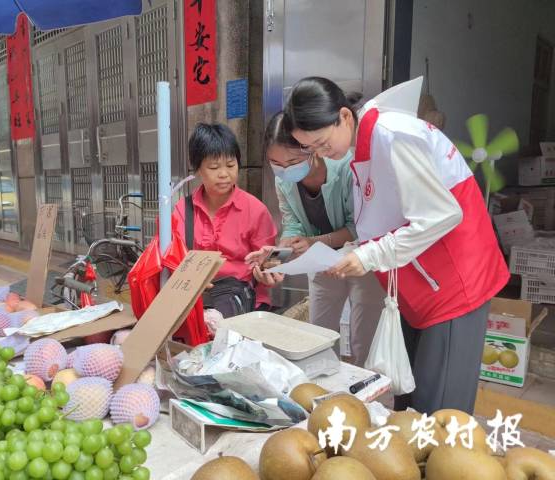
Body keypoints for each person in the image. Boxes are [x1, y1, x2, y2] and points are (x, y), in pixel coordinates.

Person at [282, 76, 509, 415]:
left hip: (454, 282)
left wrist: (371, 254)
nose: (321, 154)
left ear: (344, 116)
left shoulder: (391, 136)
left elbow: (442, 214)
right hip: (420, 284)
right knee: (410, 400)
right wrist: (352, 254)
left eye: (321, 142)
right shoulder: (364, 147)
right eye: (311, 149)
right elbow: (387, 220)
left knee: (440, 409)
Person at [249, 112, 383, 366]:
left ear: (312, 149)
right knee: (319, 336)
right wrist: (281, 254)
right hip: (320, 264)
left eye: (292, 161)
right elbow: (292, 224)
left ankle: (365, 396)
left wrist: (313, 242)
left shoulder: (347, 167)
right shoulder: (284, 182)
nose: (284, 169)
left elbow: (359, 227)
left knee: (364, 338)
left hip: (362, 261)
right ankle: (325, 394)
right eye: (276, 163)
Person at [173, 123, 282, 316]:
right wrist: (190, 279)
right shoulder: (182, 211)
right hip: (196, 304)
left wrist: (267, 272)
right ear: (197, 169)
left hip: (247, 305)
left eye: (231, 165)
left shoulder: (255, 210)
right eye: (214, 167)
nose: (224, 174)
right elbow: (171, 260)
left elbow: (267, 262)